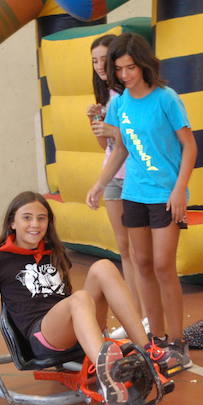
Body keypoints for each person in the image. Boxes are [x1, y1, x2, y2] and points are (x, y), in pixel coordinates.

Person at [0, 192, 154, 405]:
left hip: (73, 327)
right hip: (42, 337)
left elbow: (64, 294)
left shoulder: (54, 252)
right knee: (79, 298)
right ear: (12, 222)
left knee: (103, 267)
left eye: (41, 218)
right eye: (27, 217)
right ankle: (107, 373)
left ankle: (147, 350)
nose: (35, 224)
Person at [86, 33, 196, 369]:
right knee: (143, 264)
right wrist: (101, 182)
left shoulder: (166, 99)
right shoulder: (119, 103)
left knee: (164, 266)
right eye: (118, 69)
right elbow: (121, 148)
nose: (124, 75)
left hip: (165, 194)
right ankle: (156, 341)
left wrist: (179, 189)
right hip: (134, 193)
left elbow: (190, 147)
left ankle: (178, 342)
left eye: (130, 67)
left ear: (143, 64)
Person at [85, 34, 143, 318]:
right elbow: (107, 147)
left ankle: (146, 315)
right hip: (112, 175)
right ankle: (135, 312)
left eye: (104, 59)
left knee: (138, 249)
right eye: (94, 60)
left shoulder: (129, 94)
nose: (99, 65)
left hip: (133, 176)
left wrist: (113, 131)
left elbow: (135, 141)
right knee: (124, 248)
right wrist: (95, 122)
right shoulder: (106, 96)